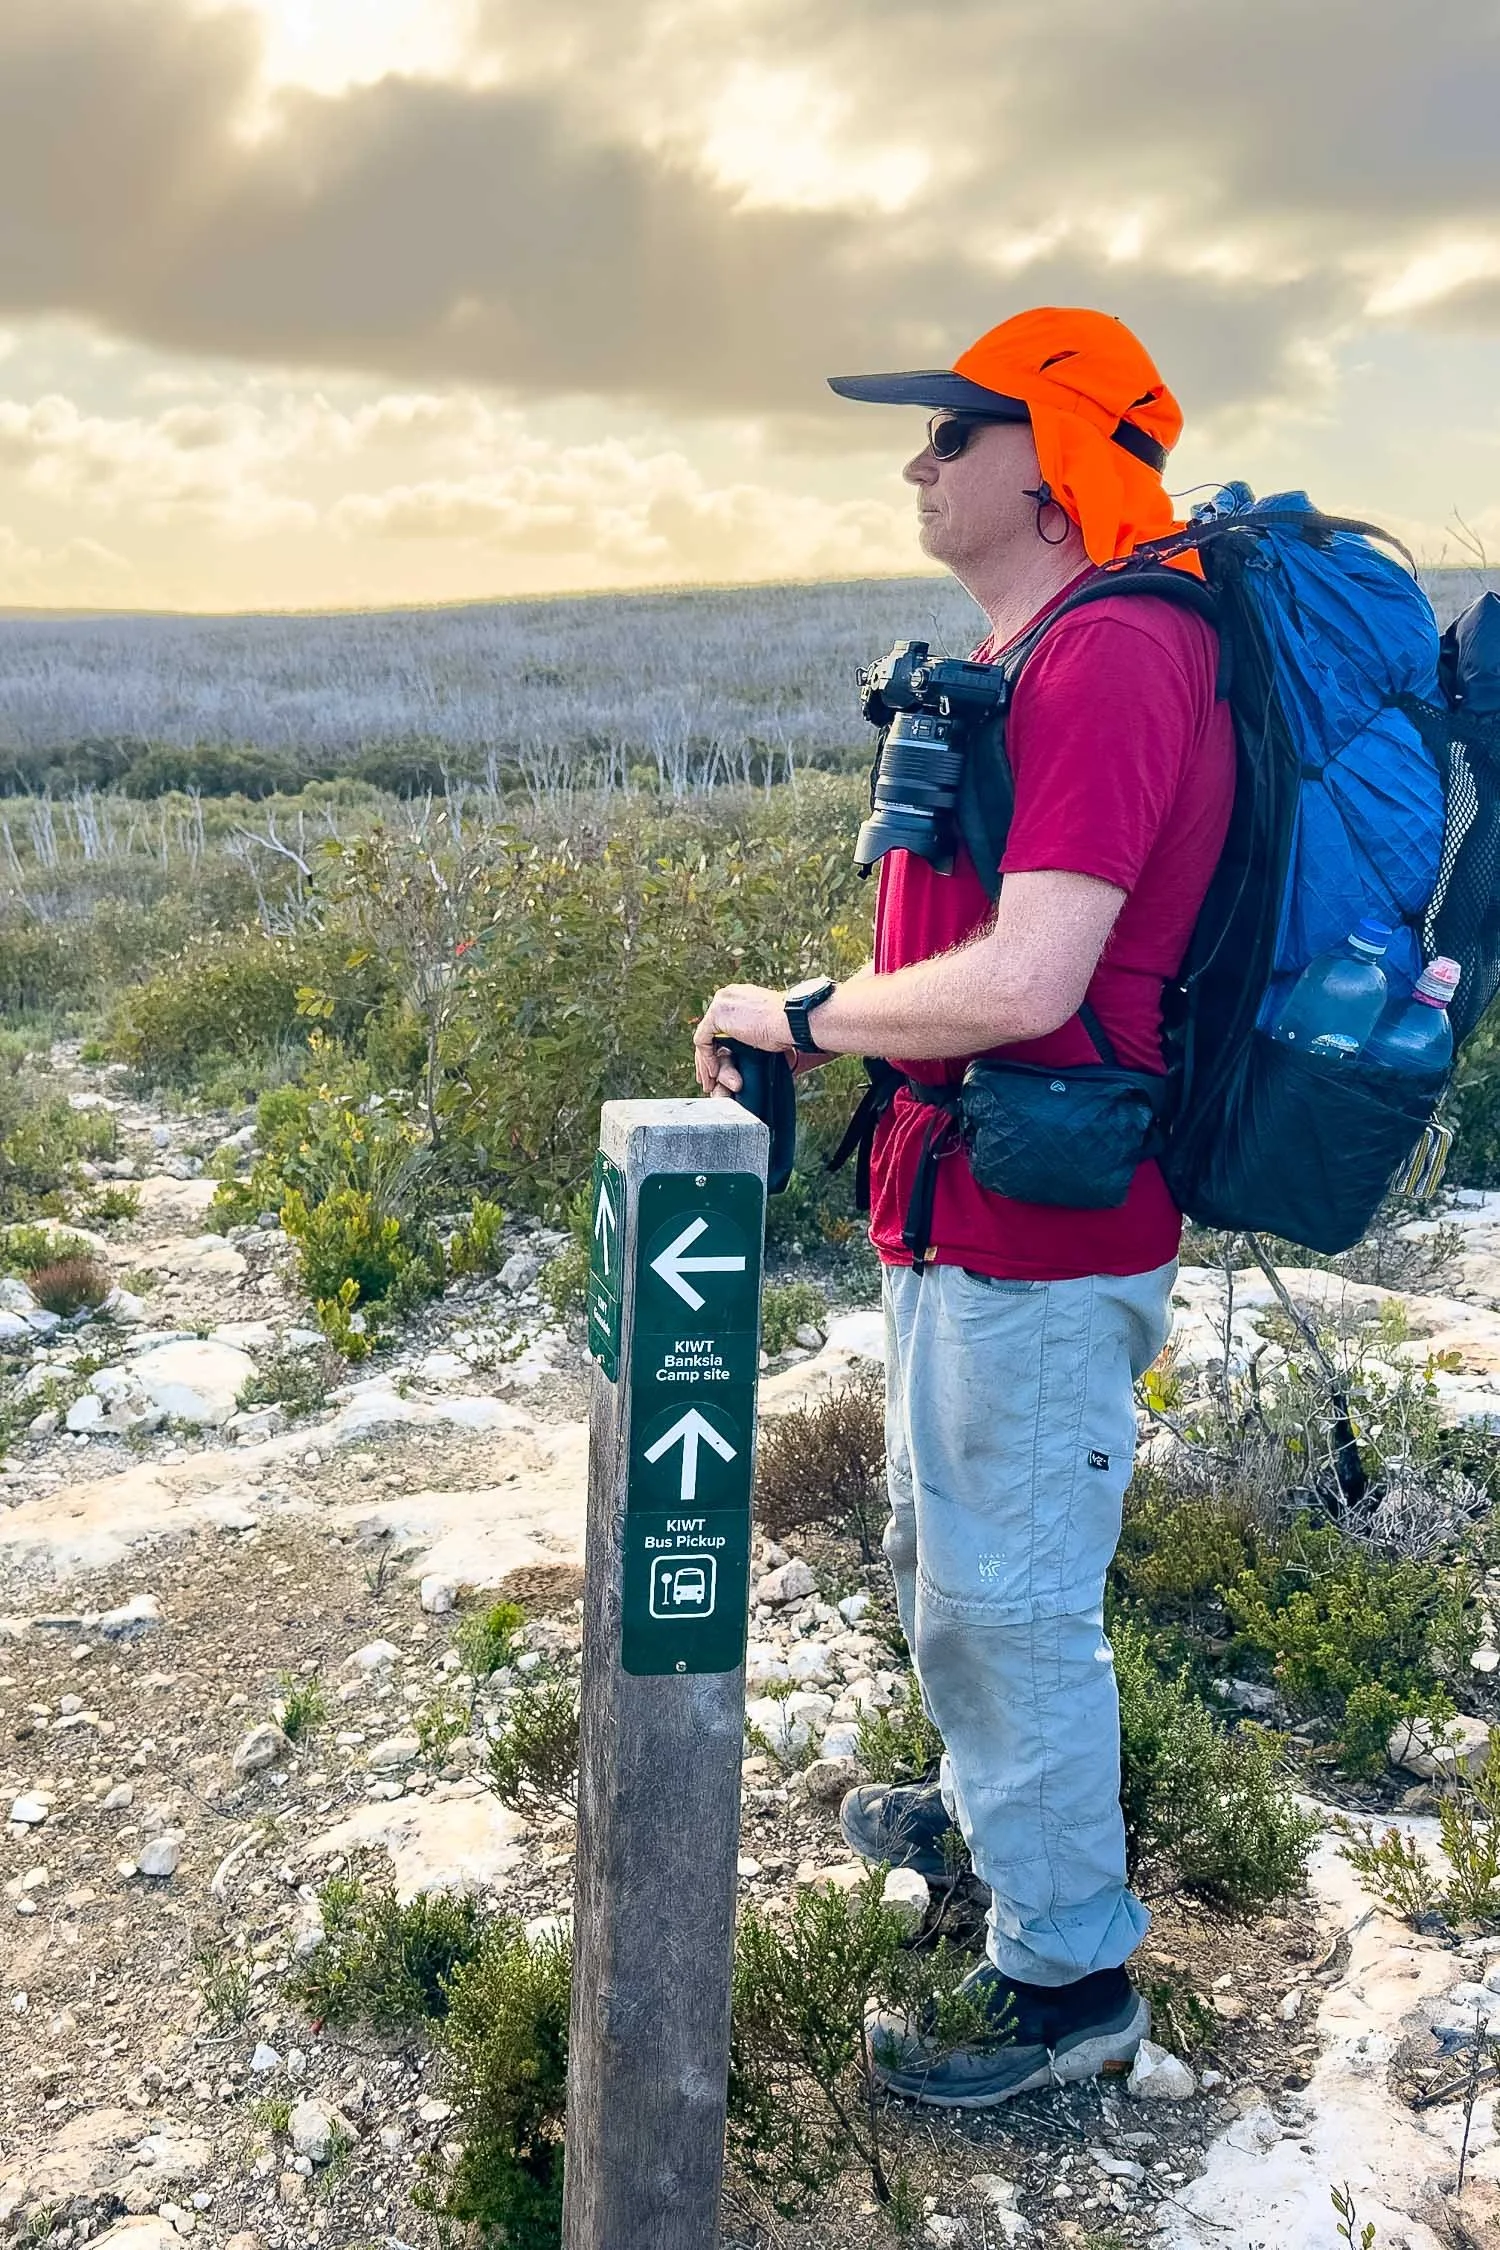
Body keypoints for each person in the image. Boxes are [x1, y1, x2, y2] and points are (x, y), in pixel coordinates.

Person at [693, 306, 1236, 2106]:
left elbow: (1032, 977)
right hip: (968, 1200)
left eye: (953, 432)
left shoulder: (1120, 655)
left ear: (1054, 459)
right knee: (951, 1558)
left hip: (1045, 1231)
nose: (917, 463)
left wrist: (803, 1018)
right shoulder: (1044, 647)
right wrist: (827, 1022)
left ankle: (1068, 1984)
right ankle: (996, 1812)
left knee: (1009, 1601)